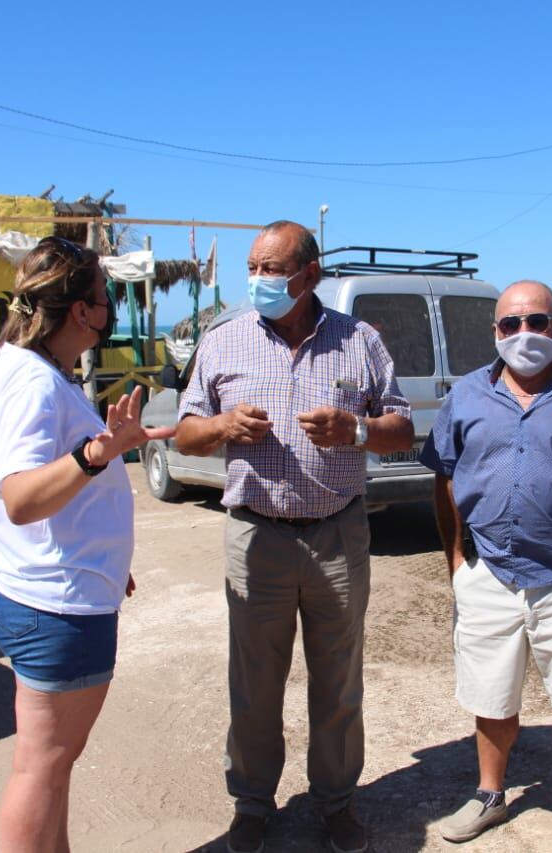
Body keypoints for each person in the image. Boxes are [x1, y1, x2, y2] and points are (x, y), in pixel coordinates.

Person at [173, 220, 413, 853]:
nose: (258, 280)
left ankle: (335, 802)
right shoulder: (223, 340)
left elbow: (402, 430)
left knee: (337, 679)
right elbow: (185, 434)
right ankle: (252, 804)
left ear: (309, 274)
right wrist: (223, 425)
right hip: (257, 535)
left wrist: (354, 430)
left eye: (271, 269)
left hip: (337, 534)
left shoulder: (359, 341)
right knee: (254, 682)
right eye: (252, 267)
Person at [0, 235, 175, 852]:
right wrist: (99, 451)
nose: (109, 308)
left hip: (36, 585)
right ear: (81, 312)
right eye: (104, 298)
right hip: (54, 605)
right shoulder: (33, 382)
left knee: (50, 767)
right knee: (43, 767)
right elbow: (22, 498)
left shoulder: (14, 364)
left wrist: (105, 553)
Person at [420, 280, 552, 853]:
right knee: (491, 696)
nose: (524, 334)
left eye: (537, 322)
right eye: (511, 324)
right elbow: (443, 477)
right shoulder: (466, 395)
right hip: (488, 571)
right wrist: (454, 560)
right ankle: (491, 795)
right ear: (495, 333)